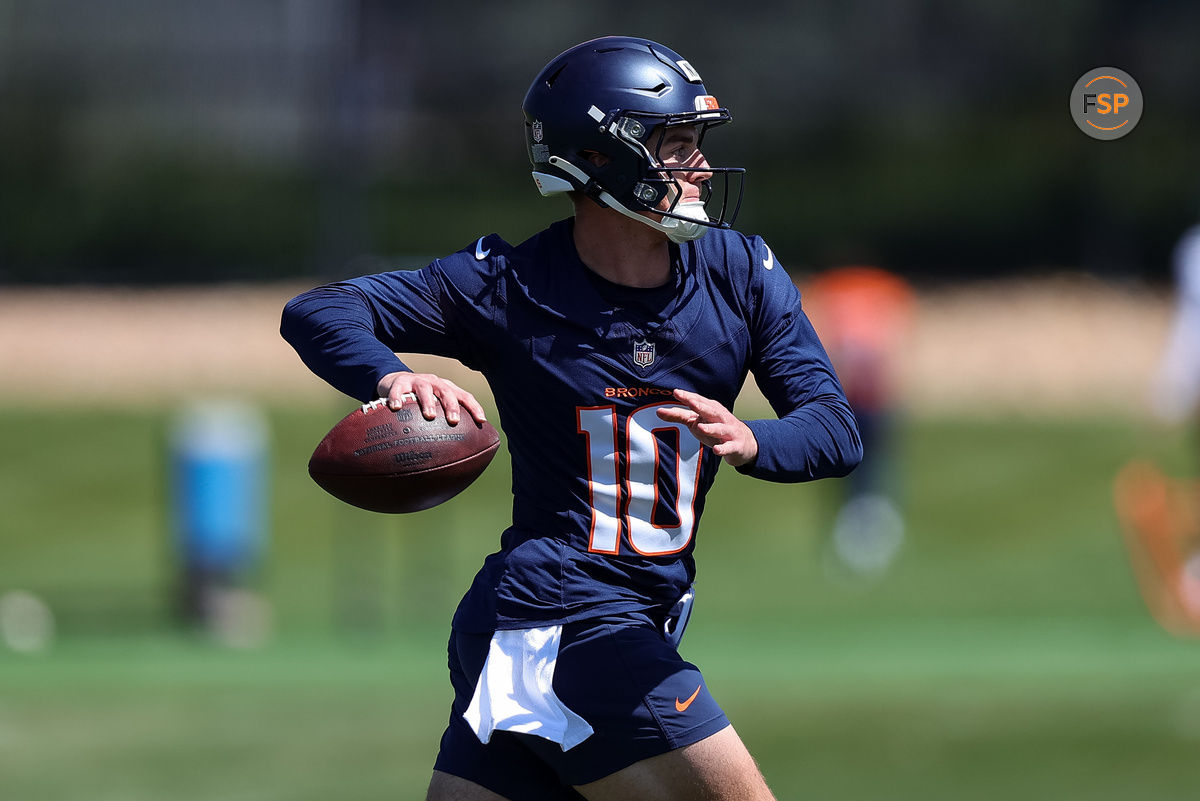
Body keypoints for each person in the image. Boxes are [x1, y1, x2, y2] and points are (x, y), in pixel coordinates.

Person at [281, 36, 861, 801]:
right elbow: (320, 310)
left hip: (575, 622)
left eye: (698, 143)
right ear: (598, 159)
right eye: (675, 145)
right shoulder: (510, 285)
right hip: (572, 617)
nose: (701, 168)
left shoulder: (739, 272)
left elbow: (834, 426)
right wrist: (392, 375)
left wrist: (757, 438)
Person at [802, 266, 914, 578]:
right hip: (849, 400)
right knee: (851, 474)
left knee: (872, 474)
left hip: (868, 400)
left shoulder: (874, 290)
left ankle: (872, 535)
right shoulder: (853, 291)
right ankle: (854, 537)